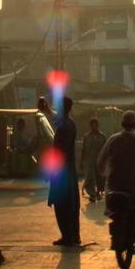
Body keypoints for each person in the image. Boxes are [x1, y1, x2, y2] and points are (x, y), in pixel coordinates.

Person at [48, 97, 81, 246]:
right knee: (72, 203)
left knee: (61, 203)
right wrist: (47, 109)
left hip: (61, 168)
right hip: (70, 168)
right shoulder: (71, 123)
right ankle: (74, 235)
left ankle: (67, 236)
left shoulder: (62, 127)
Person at [81, 118, 107, 202]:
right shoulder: (86, 137)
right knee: (89, 177)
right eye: (92, 125)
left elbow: (105, 149)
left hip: (100, 159)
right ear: (90, 126)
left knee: (100, 177)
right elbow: (83, 149)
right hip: (90, 160)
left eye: (95, 125)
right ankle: (92, 194)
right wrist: (82, 161)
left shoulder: (102, 136)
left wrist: (106, 161)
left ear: (98, 126)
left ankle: (99, 192)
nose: (94, 127)